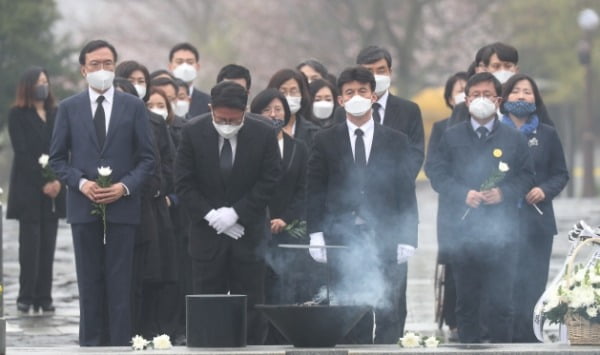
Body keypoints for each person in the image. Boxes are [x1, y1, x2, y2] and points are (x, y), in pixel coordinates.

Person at [49, 39, 155, 346]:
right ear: (84, 69)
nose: (102, 70)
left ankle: (121, 343)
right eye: (95, 64)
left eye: (108, 63)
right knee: (89, 281)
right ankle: (91, 344)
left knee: (120, 281)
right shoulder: (68, 108)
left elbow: (148, 158)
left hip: (123, 207)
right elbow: (57, 159)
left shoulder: (133, 106)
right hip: (84, 206)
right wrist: (81, 183)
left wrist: (124, 187)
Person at [307, 67, 418, 343]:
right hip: (342, 236)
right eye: (349, 92)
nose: (356, 97)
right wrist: (315, 233)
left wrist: (408, 236)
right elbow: (315, 189)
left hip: (386, 235)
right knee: (349, 307)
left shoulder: (395, 140)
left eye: (362, 91)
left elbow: (405, 190)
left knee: (390, 306)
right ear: (340, 100)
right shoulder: (324, 140)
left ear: (373, 95)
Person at [425, 72, 535, 343]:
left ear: (498, 100)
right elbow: (436, 173)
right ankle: (469, 345)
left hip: (503, 234)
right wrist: (463, 194)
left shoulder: (513, 138)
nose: (481, 100)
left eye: (487, 95)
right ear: (466, 100)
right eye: (475, 95)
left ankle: (502, 347)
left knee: (501, 304)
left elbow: (527, 175)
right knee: (467, 303)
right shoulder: (451, 137)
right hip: (463, 233)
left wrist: (504, 193)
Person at [175, 81, 282, 345]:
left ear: (245, 111)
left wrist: (237, 214)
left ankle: (252, 349)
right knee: (207, 305)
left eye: (234, 120)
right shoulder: (192, 131)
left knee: (252, 306)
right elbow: (183, 182)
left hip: (248, 235)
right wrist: (212, 216)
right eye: (221, 118)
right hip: (206, 237)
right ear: (211, 109)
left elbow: (270, 179)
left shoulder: (263, 132)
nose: (227, 125)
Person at [499, 74, 569, 342]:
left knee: (533, 285)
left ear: (535, 98)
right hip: (501, 221)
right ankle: (503, 339)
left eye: (527, 92)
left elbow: (561, 174)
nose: (521, 96)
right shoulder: (495, 130)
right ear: (504, 98)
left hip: (537, 222)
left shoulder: (548, 134)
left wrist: (544, 190)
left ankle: (530, 339)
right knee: (505, 284)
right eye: (515, 91)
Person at [7, 66, 66, 315]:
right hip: (29, 189)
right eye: (39, 81)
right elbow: (21, 152)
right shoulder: (18, 114)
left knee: (49, 245)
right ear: (28, 86)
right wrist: (42, 180)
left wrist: (58, 180)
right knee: (30, 246)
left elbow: (64, 147)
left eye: (46, 80)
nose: (44, 85)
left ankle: (45, 296)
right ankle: (26, 295)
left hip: (54, 190)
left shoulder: (56, 112)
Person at [335, 46, 424, 181]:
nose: (375, 76)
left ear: (390, 72)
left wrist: (397, 183)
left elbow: (415, 153)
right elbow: (337, 153)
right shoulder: (342, 112)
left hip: (394, 191)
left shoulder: (409, 110)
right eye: (369, 71)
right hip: (351, 191)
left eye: (381, 70)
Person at [428, 71, 468, 341]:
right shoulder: (442, 128)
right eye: (459, 90)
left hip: (485, 207)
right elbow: (434, 167)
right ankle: (453, 319)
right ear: (450, 97)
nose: (464, 95)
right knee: (453, 265)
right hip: (453, 209)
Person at [267, 69, 319, 146]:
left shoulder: (314, 132)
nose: (288, 97)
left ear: (302, 94)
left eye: (293, 91)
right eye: (283, 92)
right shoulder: (263, 129)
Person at [168, 42, 210, 117]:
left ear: (197, 67)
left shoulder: (208, 102)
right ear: (170, 66)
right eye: (179, 62)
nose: (185, 67)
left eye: (190, 62)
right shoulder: (160, 99)